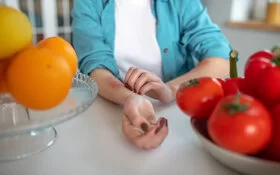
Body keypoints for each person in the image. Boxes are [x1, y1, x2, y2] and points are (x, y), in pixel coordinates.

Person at [71, 0, 231, 149]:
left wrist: (171, 90)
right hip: (113, 105)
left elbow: (222, 58)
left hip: (177, 110)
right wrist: (130, 98)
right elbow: (94, 63)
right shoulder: (88, 3)